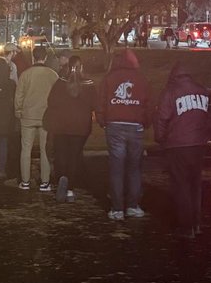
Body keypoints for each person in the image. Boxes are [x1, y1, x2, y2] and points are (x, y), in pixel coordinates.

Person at [154, 61, 211, 236]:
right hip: (198, 144)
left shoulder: (170, 92)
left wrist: (161, 138)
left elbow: (162, 118)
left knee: (181, 185)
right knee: (195, 185)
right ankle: (196, 223)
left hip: (178, 144)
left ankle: (185, 226)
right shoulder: (202, 91)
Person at [96, 49, 152, 220]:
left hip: (114, 125)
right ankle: (133, 206)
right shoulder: (142, 79)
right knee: (134, 167)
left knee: (116, 167)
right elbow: (148, 104)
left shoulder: (109, 78)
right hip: (135, 125)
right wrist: (146, 122)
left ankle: (117, 208)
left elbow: (101, 102)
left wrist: (102, 121)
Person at [44, 55, 95, 202]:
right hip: (80, 127)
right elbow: (94, 104)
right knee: (74, 156)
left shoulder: (61, 82)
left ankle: (62, 177)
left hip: (61, 125)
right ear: (82, 67)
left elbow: (51, 101)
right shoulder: (88, 84)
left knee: (61, 155)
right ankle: (71, 189)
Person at [13, 45, 58, 191]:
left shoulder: (26, 74)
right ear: (45, 57)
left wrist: (18, 110)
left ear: (33, 57)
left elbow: (19, 95)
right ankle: (45, 182)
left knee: (26, 149)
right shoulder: (52, 75)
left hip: (28, 116)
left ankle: (25, 181)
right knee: (45, 150)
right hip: (46, 116)